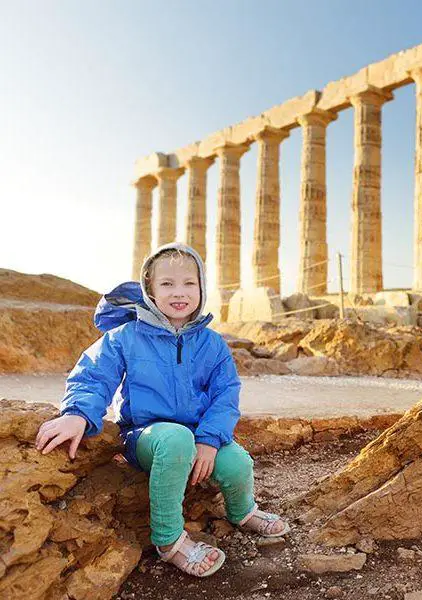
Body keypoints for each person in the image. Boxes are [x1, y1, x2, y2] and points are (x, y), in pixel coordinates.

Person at [35, 242, 288, 577]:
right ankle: (169, 540)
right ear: (149, 290)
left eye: (189, 283)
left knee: (238, 462)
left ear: (202, 288)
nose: (179, 292)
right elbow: (94, 375)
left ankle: (242, 511)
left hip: (199, 436)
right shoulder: (125, 336)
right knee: (174, 440)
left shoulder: (212, 343)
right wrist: (77, 413)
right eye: (167, 284)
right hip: (146, 438)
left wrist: (210, 440)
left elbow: (226, 393)